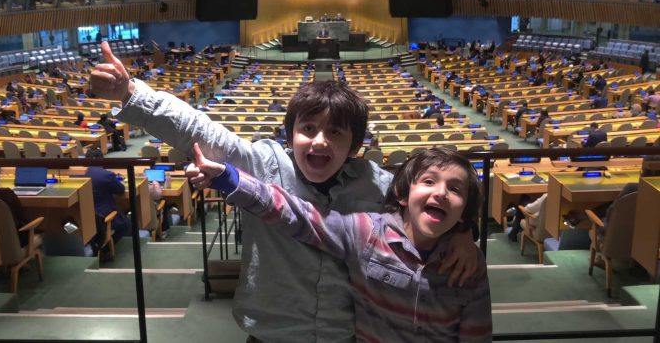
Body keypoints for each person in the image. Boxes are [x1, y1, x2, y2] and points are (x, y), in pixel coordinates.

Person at [90, 42, 478, 342]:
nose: (319, 142)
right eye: (308, 129)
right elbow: (199, 128)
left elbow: (426, 207)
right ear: (291, 134)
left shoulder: (375, 182)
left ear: (355, 146)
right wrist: (130, 92)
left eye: (336, 133)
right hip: (270, 334)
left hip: (346, 334)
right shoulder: (263, 165)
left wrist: (463, 233)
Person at [188, 145, 492, 342]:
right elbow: (297, 214)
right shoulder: (365, 232)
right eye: (428, 181)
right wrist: (228, 178)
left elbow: (476, 335)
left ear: (465, 208)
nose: (440, 193)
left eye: (455, 189)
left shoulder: (469, 262)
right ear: (402, 194)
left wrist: (465, 233)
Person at [83, 148, 131, 244]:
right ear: (101, 159)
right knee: (126, 223)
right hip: (103, 217)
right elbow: (121, 190)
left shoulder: (77, 175)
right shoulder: (106, 175)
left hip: (84, 217)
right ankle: (107, 246)